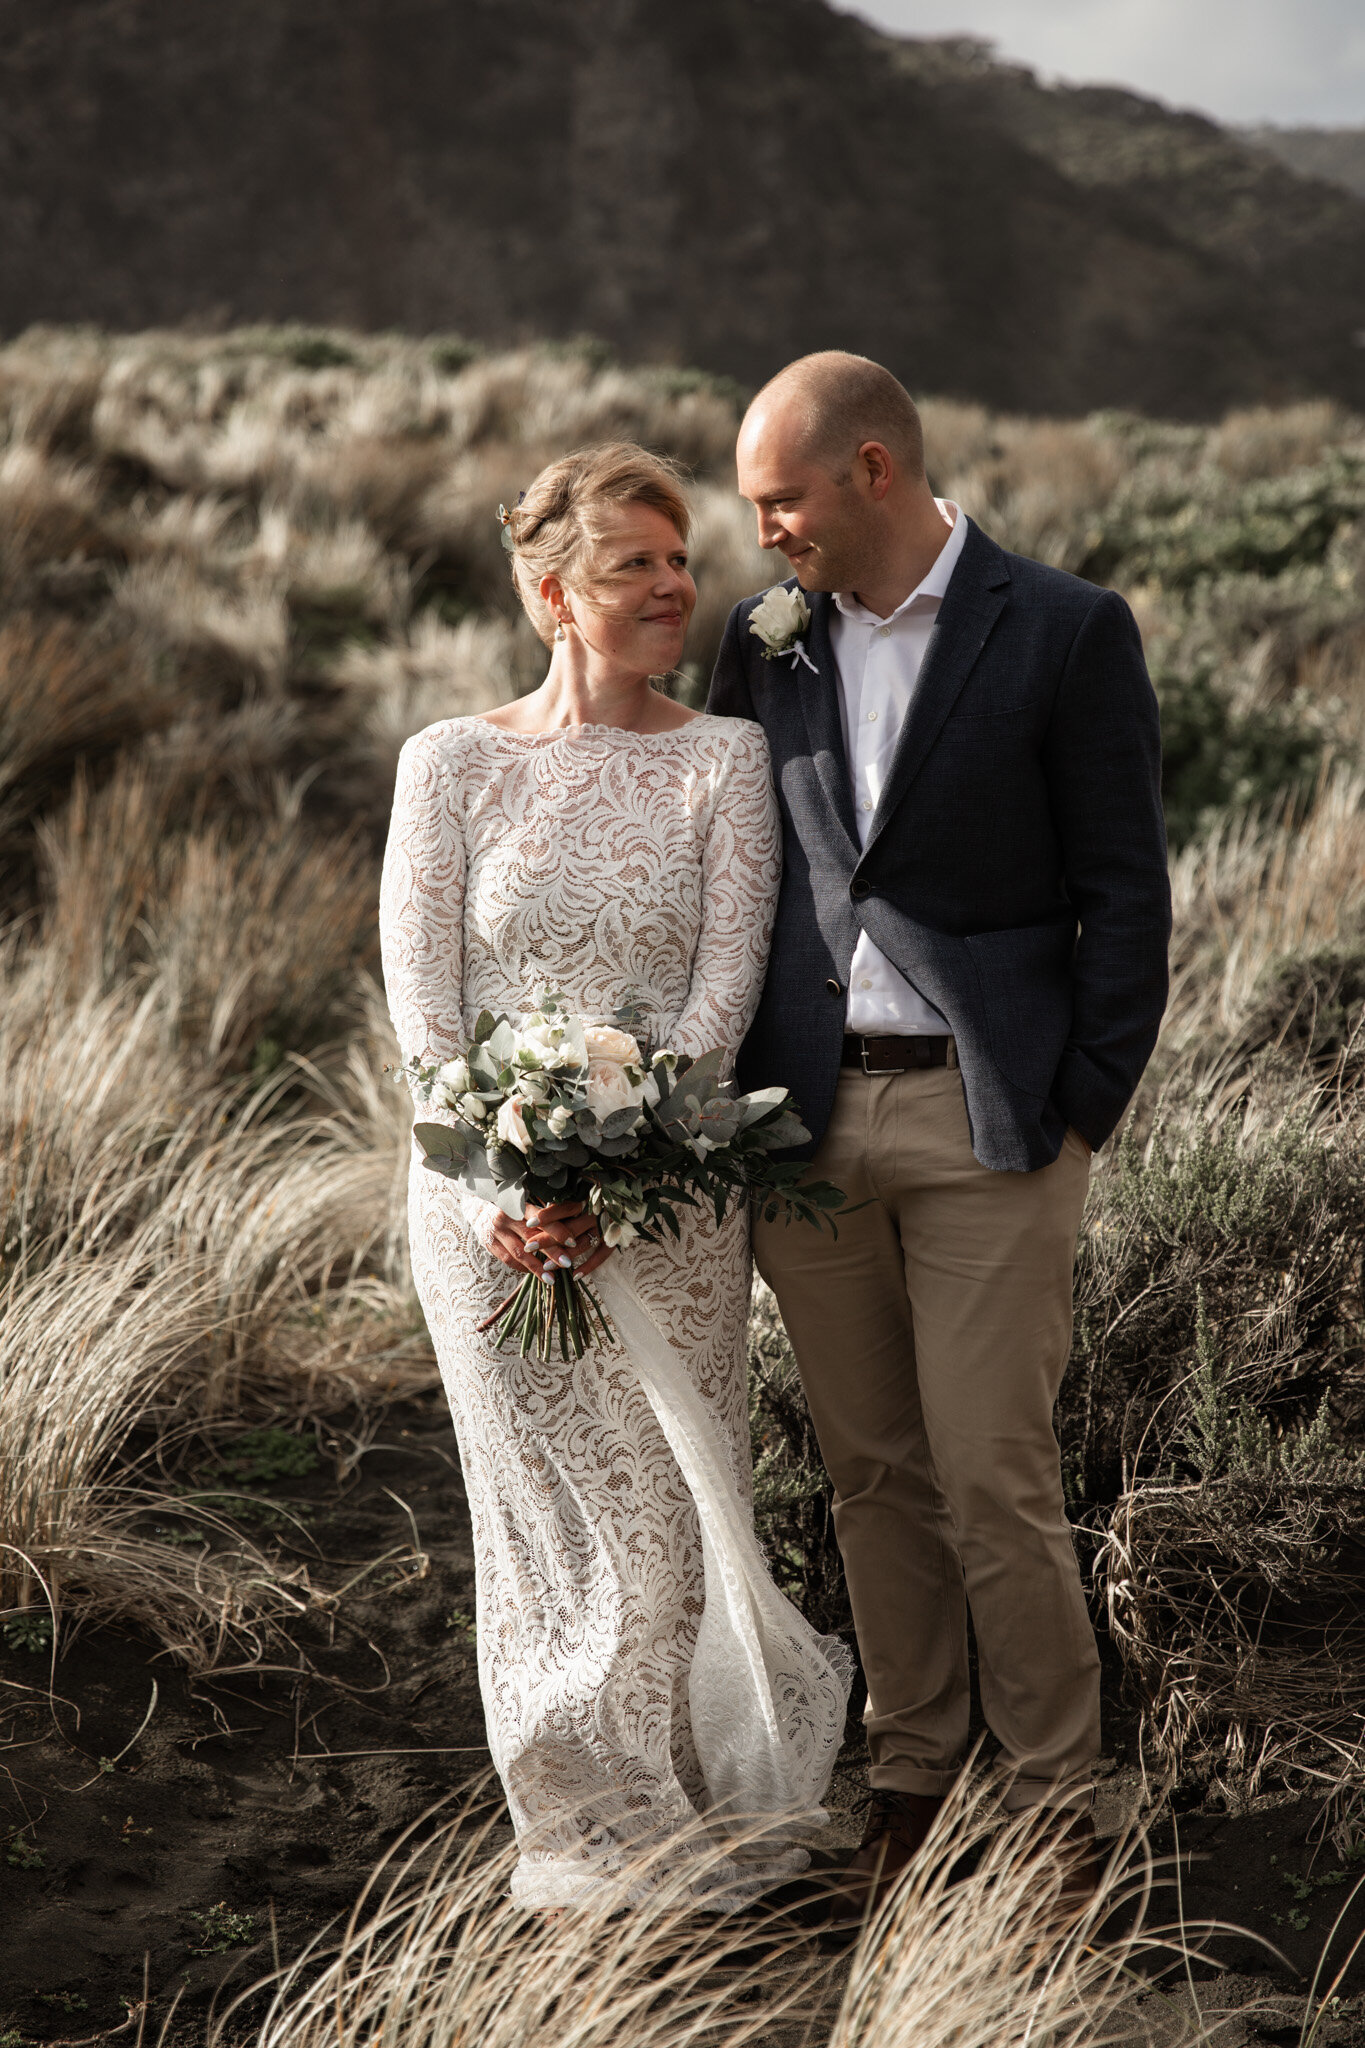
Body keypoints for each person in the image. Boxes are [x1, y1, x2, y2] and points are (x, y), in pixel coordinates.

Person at [707, 352, 1171, 1924]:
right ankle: (912, 1778)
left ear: (875, 474)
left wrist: (1077, 1106)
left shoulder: (1062, 628)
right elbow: (736, 868)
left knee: (991, 1470)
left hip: (990, 1124)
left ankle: (1057, 1806)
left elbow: (1126, 892)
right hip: (805, 1120)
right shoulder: (759, 644)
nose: (759, 529)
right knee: (870, 1474)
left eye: (779, 498)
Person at [379, 442, 850, 1914]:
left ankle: (690, 1808)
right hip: (485, 1214)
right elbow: (424, 1018)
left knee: (664, 1515)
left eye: (680, 560)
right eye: (631, 566)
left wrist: (626, 1157)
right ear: (549, 596)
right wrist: (501, 1189)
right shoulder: (448, 763)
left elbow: (722, 993)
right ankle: (579, 1829)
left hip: (673, 1203)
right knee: (536, 1521)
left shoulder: (719, 759)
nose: (672, 589)